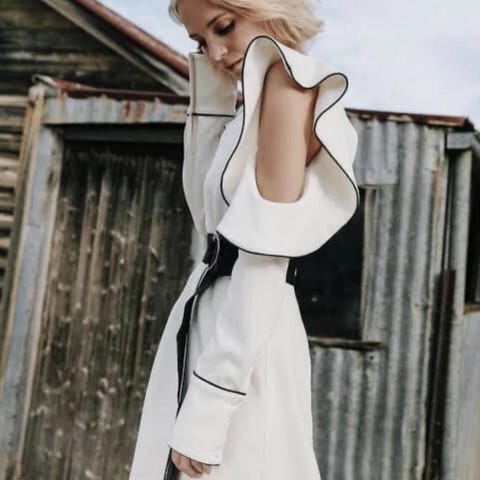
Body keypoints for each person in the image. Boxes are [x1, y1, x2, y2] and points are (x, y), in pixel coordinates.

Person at [128, 0, 359, 478]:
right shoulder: (253, 103)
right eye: (199, 43)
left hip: (245, 338)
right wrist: (214, 93)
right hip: (214, 320)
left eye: (224, 27)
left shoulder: (289, 84)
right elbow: (205, 214)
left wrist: (211, 404)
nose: (214, 52)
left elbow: (265, 258)